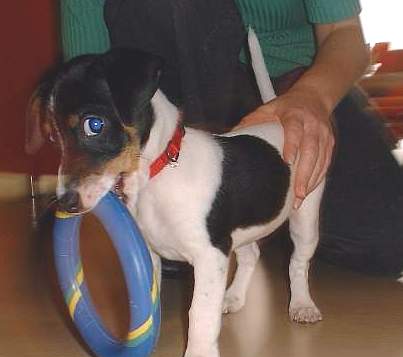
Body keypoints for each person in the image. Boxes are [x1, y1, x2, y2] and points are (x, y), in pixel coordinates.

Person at [60, 0, 403, 275]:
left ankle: (254, 222)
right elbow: (87, 81)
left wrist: (312, 96)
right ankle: (194, 217)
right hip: (185, 99)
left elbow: (344, 34)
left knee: (390, 240)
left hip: (296, 80)